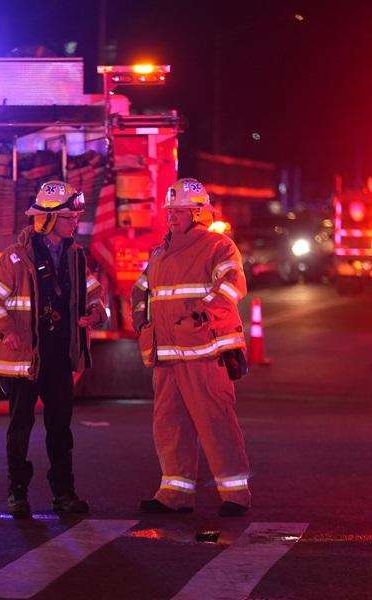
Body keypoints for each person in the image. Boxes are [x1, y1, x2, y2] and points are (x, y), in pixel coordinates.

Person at [0, 180, 107, 518]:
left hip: (59, 356)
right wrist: (6, 330)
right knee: (20, 427)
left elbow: (94, 294)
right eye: (68, 217)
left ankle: (63, 493)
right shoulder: (16, 257)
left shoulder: (75, 255)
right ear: (48, 220)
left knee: (60, 428)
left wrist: (96, 312)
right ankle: (17, 493)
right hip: (23, 359)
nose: (75, 222)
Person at [131, 178, 252, 517]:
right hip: (168, 356)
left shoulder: (219, 246)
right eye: (170, 212)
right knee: (169, 423)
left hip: (205, 352)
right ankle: (174, 492)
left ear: (198, 213)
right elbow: (141, 290)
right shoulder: (161, 252)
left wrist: (201, 314)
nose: (171, 218)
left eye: (178, 212)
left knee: (216, 421)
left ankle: (234, 494)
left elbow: (232, 286)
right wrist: (141, 321)